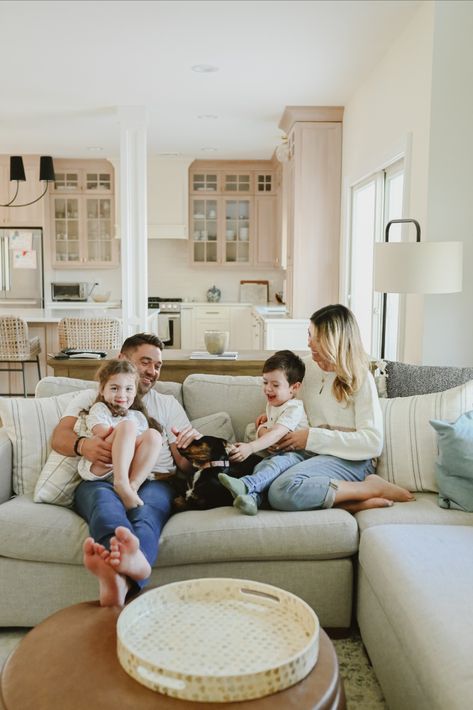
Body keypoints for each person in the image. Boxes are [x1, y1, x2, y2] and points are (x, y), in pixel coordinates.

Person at [51, 333, 201, 607]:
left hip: (154, 481)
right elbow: (58, 438)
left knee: (147, 514)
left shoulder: (166, 404)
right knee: (104, 506)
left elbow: (184, 465)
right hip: (102, 479)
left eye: (157, 366)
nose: (152, 371)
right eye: (145, 362)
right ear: (122, 360)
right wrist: (83, 446)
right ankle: (127, 569)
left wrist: (194, 447)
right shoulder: (91, 397)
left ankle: (120, 579)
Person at [265, 304, 414, 514]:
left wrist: (311, 437)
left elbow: (372, 443)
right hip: (312, 457)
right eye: (309, 335)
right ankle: (355, 504)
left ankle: (368, 487)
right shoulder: (303, 370)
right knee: (261, 484)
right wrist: (269, 422)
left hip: (352, 462)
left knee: (281, 491)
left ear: (333, 341)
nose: (309, 343)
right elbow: (288, 408)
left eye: (315, 338)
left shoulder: (360, 379)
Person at [219, 350, 309, 515]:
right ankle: (252, 500)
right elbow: (271, 427)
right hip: (279, 454)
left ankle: (246, 485)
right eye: (265, 382)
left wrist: (250, 447)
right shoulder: (274, 404)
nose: (268, 389)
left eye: (275, 385)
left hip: (298, 456)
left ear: (294, 388)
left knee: (273, 465)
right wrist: (263, 423)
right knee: (262, 466)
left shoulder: (294, 408)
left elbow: (275, 435)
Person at [75, 359, 163, 510]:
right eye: (114, 388)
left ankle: (132, 487)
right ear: (102, 390)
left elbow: (141, 447)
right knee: (128, 427)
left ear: (135, 392)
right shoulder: (100, 409)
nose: (122, 394)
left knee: (154, 435)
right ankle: (121, 483)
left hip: (128, 468)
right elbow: (103, 433)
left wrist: (132, 439)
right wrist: (125, 431)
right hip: (102, 465)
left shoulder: (138, 417)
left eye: (128, 389)